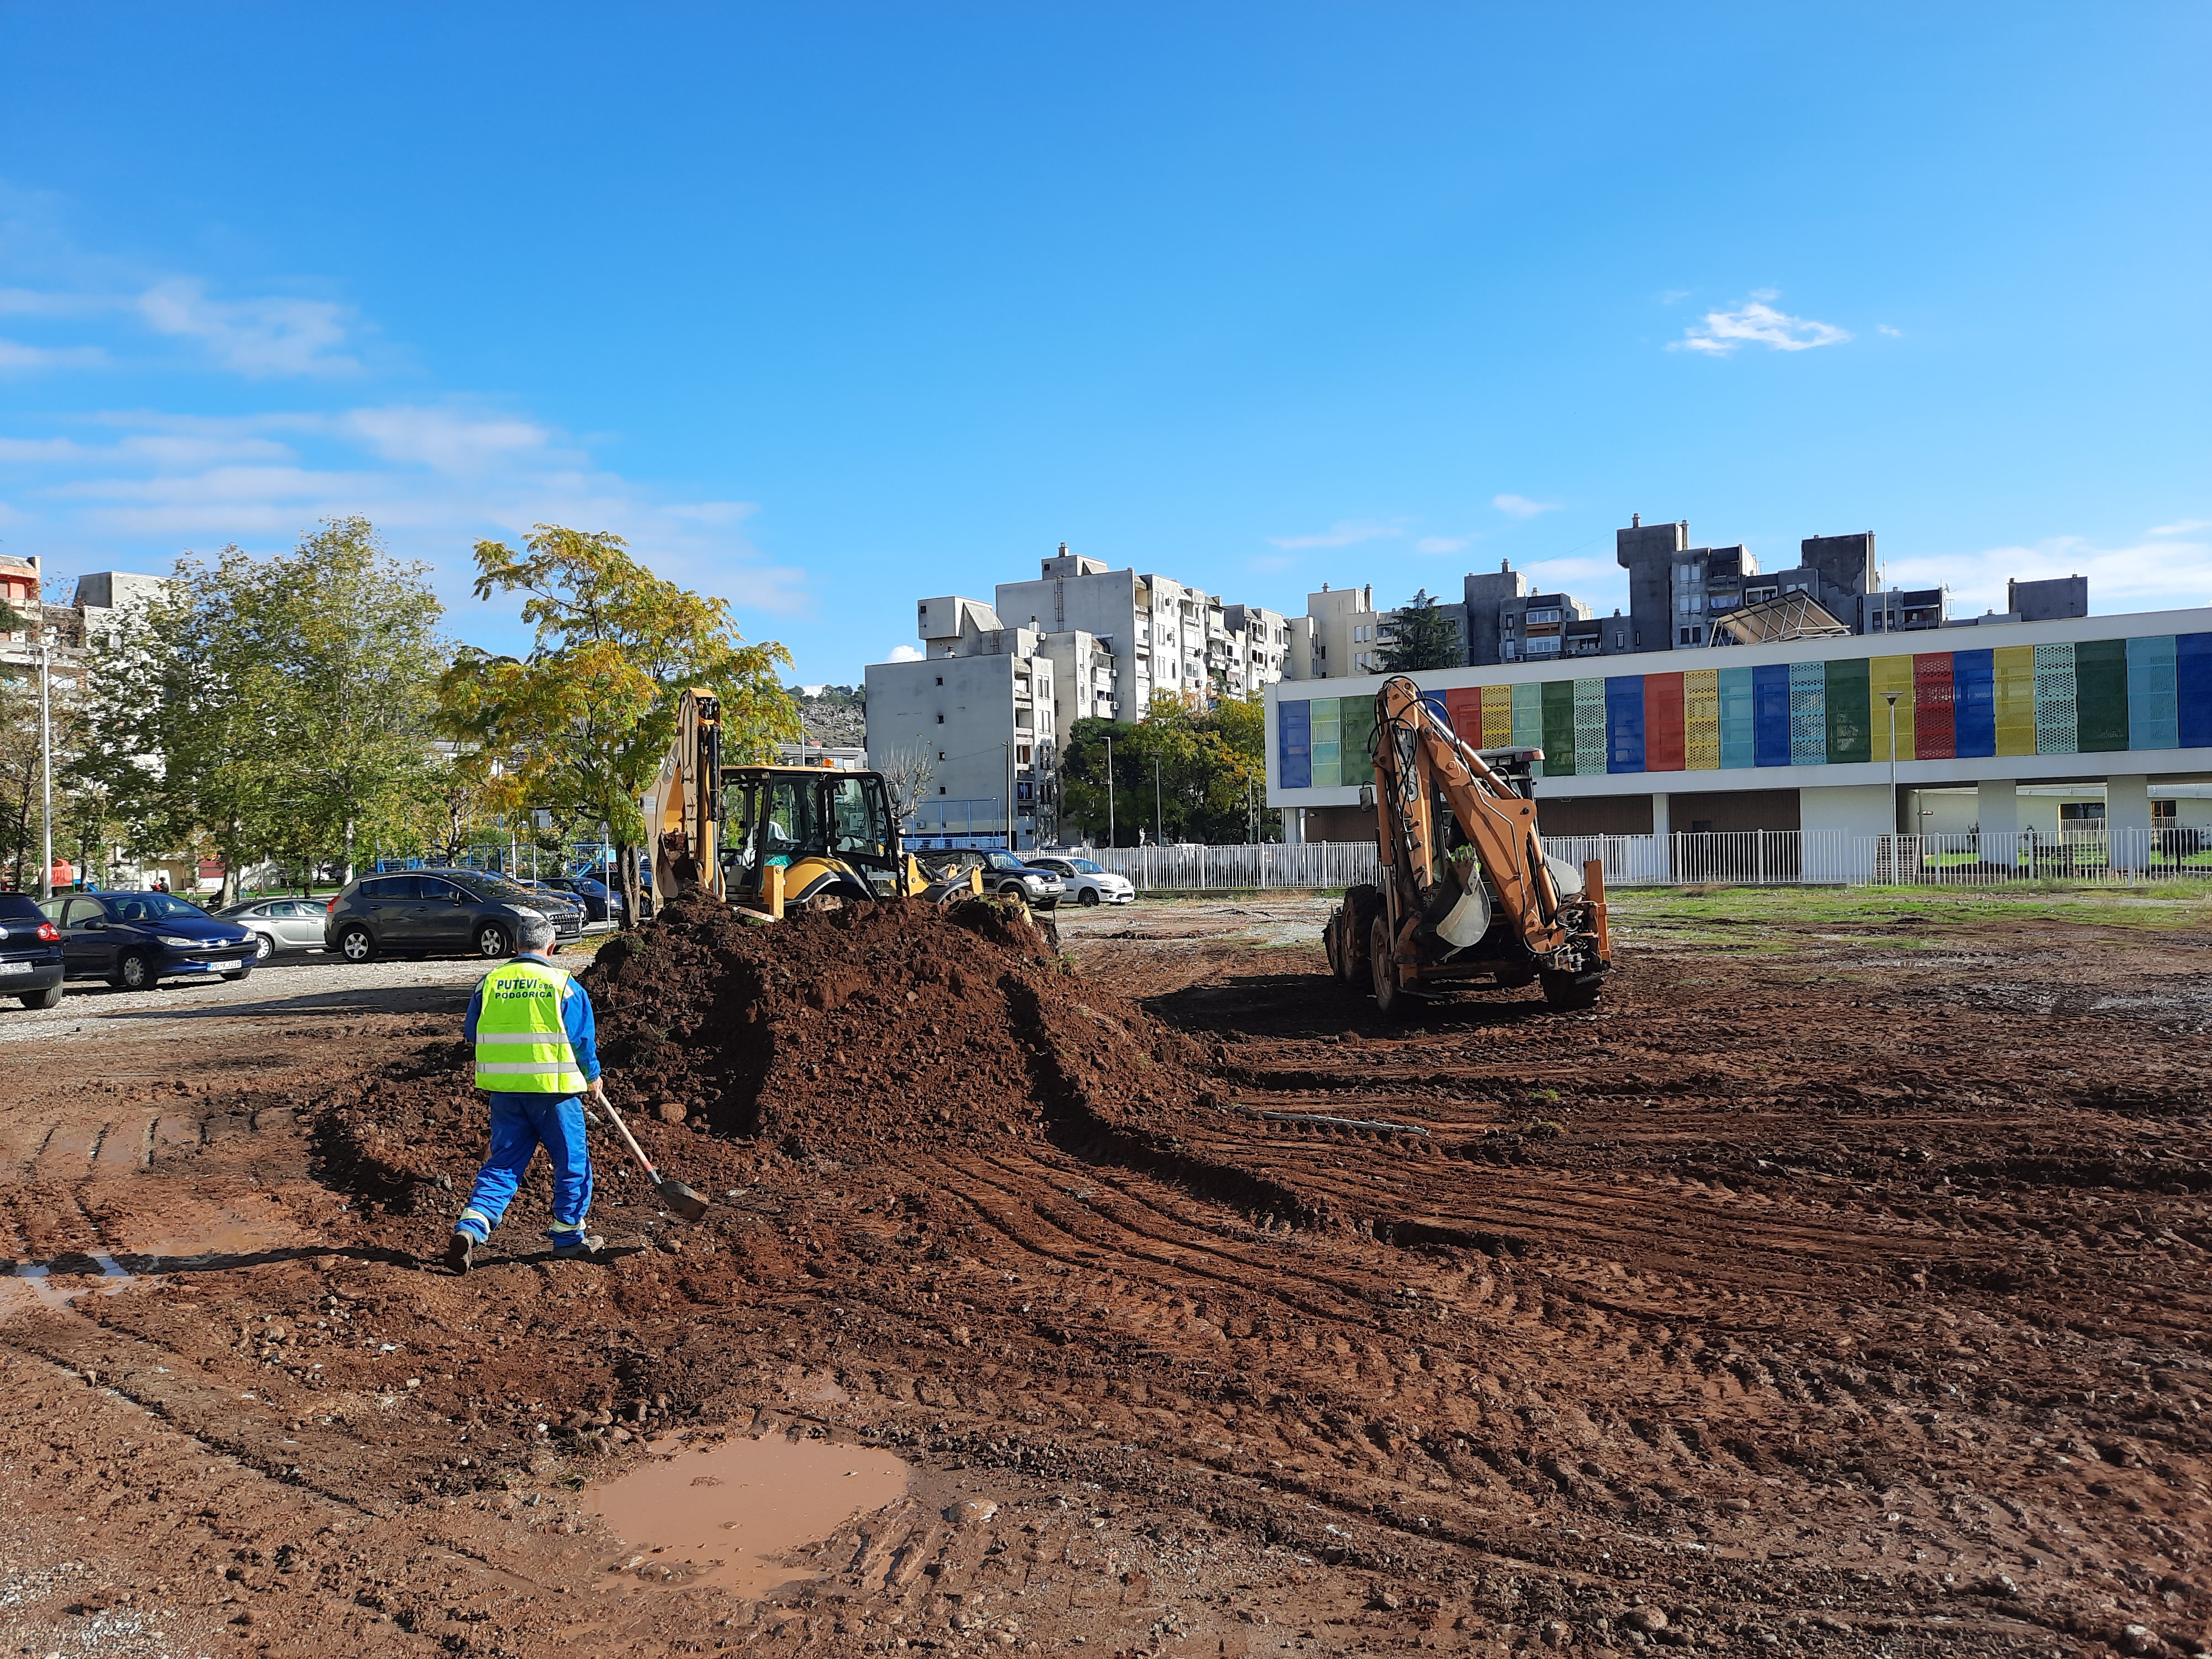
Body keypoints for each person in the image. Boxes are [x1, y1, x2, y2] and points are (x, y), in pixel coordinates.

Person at [443, 912, 606, 1273]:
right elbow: (581, 1041)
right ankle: (568, 1237)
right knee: (572, 1163)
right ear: (552, 947)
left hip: (505, 1093)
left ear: (515, 946)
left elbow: (472, 1032)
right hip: (554, 1095)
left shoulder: (489, 983)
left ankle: (472, 1226)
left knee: (503, 1163)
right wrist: (592, 1076)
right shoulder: (563, 986)